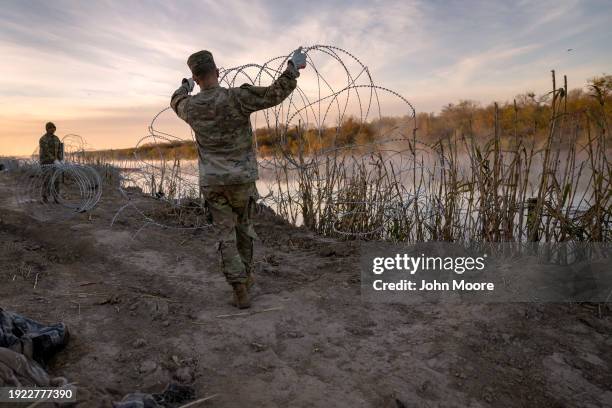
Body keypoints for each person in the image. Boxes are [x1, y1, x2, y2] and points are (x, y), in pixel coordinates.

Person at [170, 47, 307, 308]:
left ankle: (239, 287)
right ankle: (246, 276)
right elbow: (275, 93)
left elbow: (175, 99)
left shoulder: (190, 107)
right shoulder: (238, 98)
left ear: (196, 78)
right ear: (217, 72)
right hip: (242, 180)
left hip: (213, 183)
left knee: (225, 235)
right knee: (244, 229)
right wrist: (293, 68)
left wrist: (184, 86)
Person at [38, 122, 63, 203]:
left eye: (54, 128)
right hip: (46, 162)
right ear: (47, 129)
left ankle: (56, 198)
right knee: (47, 180)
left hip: (55, 162)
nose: (53, 129)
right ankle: (45, 197)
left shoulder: (56, 138)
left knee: (56, 180)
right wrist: (54, 160)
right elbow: (46, 151)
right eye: (51, 128)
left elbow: (59, 149)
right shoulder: (43, 139)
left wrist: (60, 159)